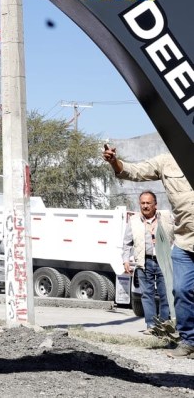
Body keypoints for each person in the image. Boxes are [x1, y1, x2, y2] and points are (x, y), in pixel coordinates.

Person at [103, 146, 194, 358]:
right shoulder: (166, 162)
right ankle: (189, 341)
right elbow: (134, 171)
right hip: (185, 242)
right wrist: (114, 161)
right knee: (180, 291)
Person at [122, 190, 174, 335]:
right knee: (147, 295)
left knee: (165, 294)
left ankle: (164, 325)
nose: (145, 206)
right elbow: (127, 243)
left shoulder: (166, 217)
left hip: (164, 261)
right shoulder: (133, 221)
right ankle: (151, 326)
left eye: (148, 203)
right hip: (144, 262)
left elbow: (178, 233)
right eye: (142, 203)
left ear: (155, 205)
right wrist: (126, 260)